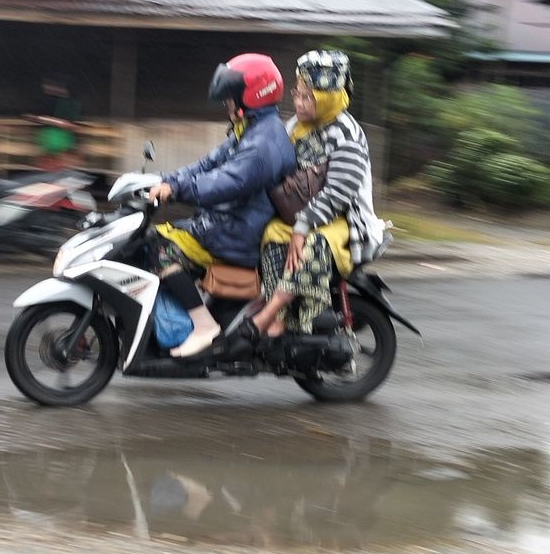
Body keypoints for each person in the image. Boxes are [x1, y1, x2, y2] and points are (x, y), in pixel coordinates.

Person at [147, 53, 296, 359]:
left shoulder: (264, 143)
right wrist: (163, 178)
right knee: (152, 237)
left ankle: (203, 326)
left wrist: (177, 189)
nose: (227, 103)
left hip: (236, 233)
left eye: (231, 97)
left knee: (159, 247)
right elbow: (207, 164)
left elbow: (226, 182)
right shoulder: (250, 129)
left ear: (252, 96)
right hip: (224, 223)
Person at [241, 49, 387, 342]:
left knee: (315, 244)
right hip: (300, 213)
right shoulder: (295, 126)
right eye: (297, 93)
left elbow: (338, 194)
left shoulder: (347, 134)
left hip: (344, 219)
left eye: (308, 97)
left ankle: (273, 310)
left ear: (328, 98)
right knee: (269, 232)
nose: (298, 101)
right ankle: (278, 315)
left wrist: (302, 226)